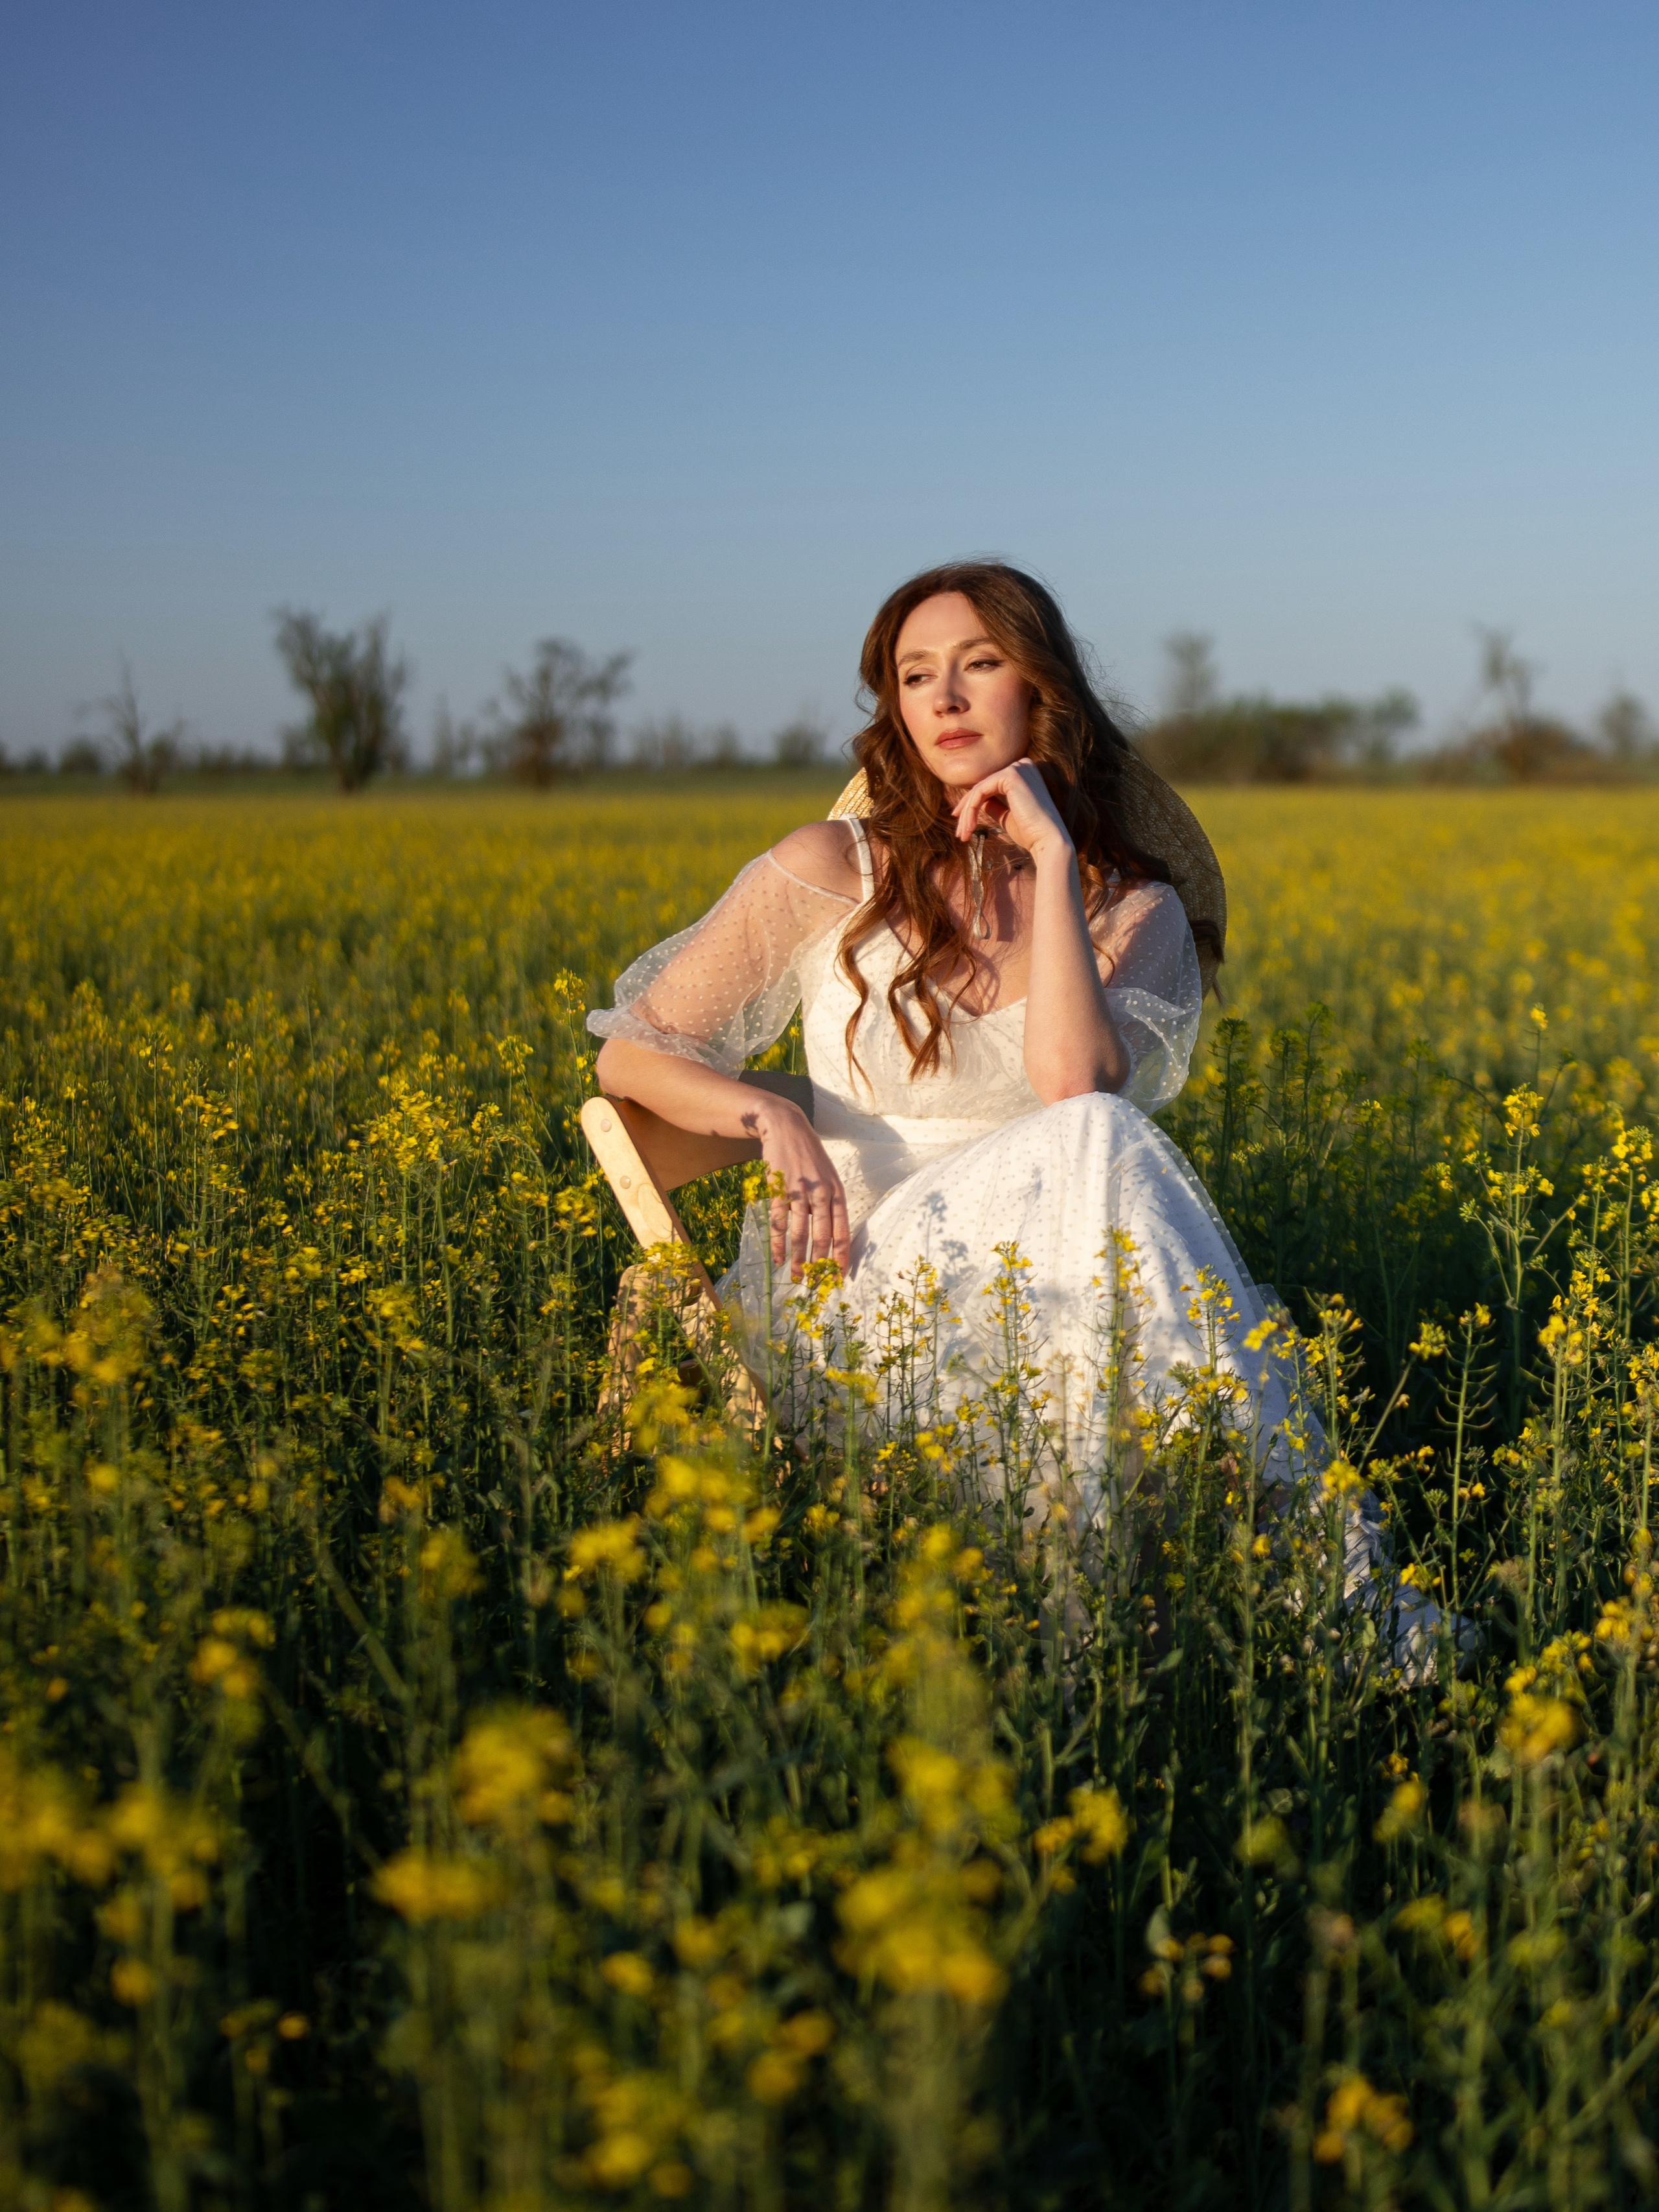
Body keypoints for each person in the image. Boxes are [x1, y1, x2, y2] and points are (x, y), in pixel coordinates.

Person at [587, 560, 1312, 1501]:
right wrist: (771, 1119)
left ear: (1041, 690)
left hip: (1053, 1284)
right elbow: (629, 1054)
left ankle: (1177, 1576)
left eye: (979, 663)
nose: (948, 696)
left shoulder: (1134, 912)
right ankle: (1137, 1556)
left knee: (1098, 1132)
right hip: (859, 1285)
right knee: (1105, 1161)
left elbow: (1073, 1085)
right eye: (917, 674)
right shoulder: (830, 866)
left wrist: (1052, 859)